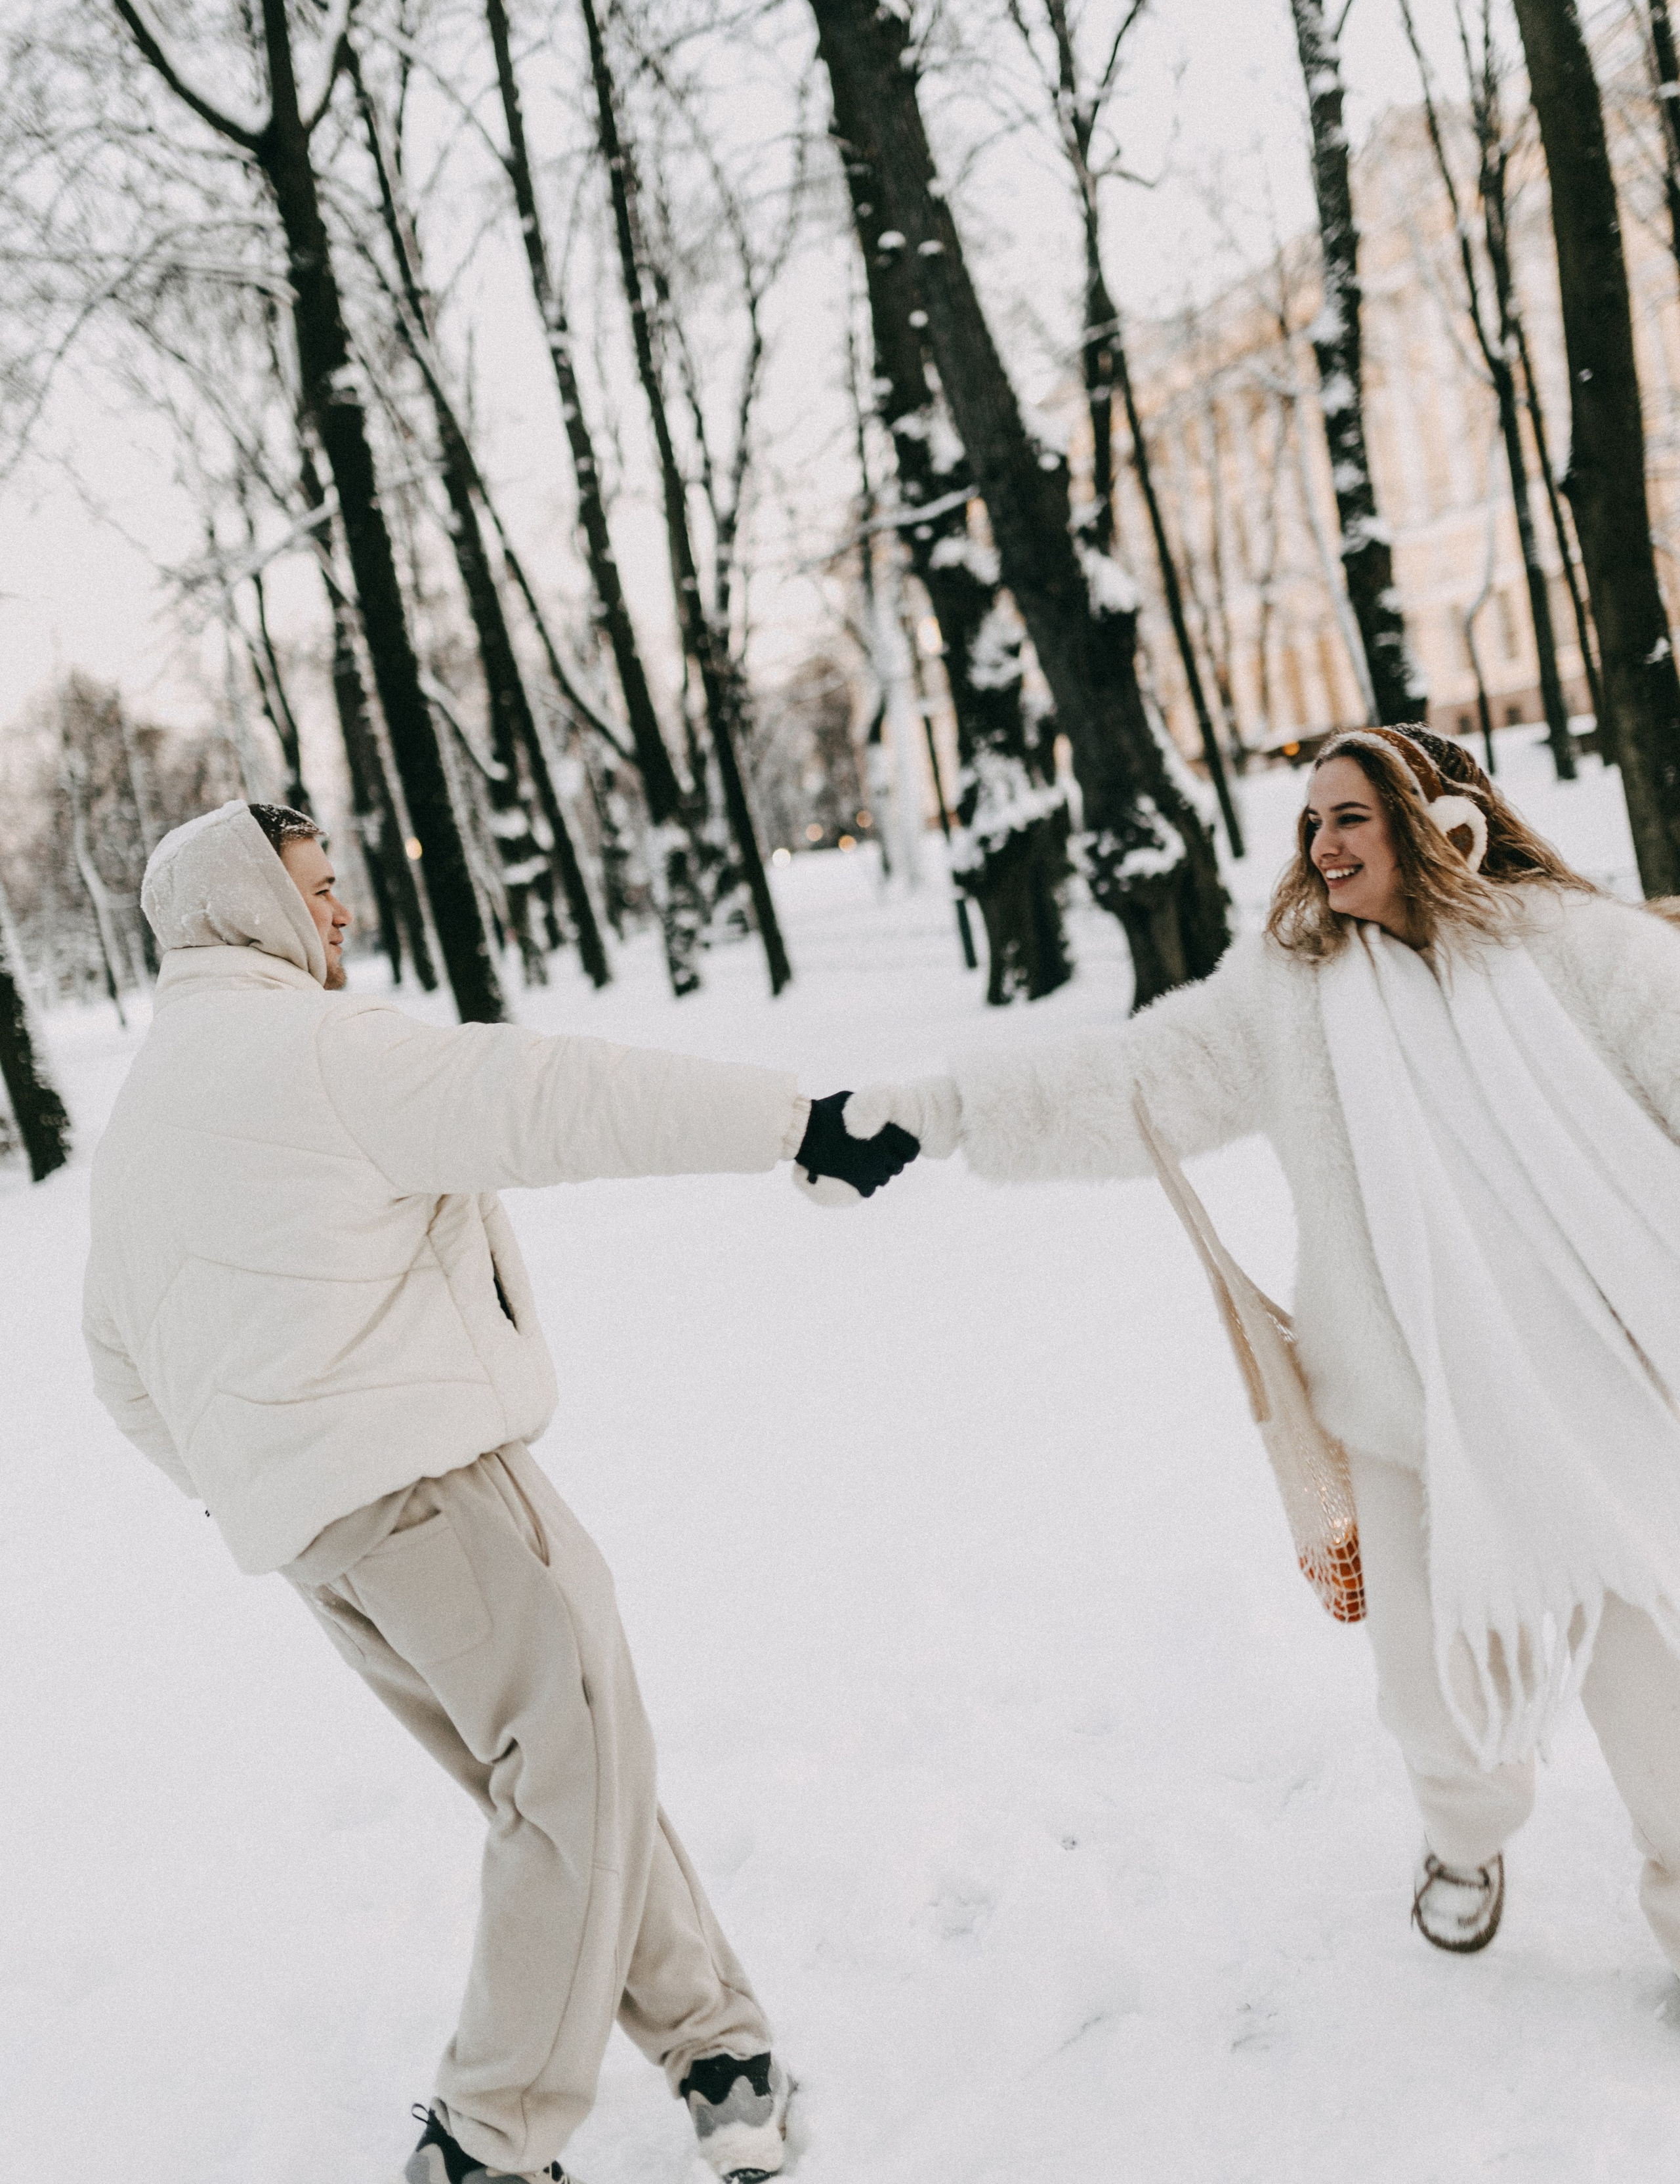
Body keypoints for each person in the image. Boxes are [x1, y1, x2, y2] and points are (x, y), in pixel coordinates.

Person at [83, 799, 917, 2184]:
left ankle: (717, 2045)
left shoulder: (146, 1116)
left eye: (340, 882)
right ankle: (487, 2136)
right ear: (249, 906)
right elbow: (556, 1098)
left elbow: (119, 1371)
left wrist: (260, 1476)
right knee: (573, 1790)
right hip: (440, 1497)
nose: (340, 910)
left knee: (572, 1792)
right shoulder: (323, 1051)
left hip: (322, 1544)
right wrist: (794, 1121)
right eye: (317, 887)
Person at [854, 724, 1680, 1968]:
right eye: (1314, 821)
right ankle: (1466, 1832)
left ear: (1438, 821)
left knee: (1661, 1696)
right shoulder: (1289, 992)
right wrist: (938, 1114)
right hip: (1407, 1415)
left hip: (1606, 1395)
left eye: (1351, 815)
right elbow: (1132, 1081)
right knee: (1429, 1690)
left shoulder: (1574, 951)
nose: (1323, 842)